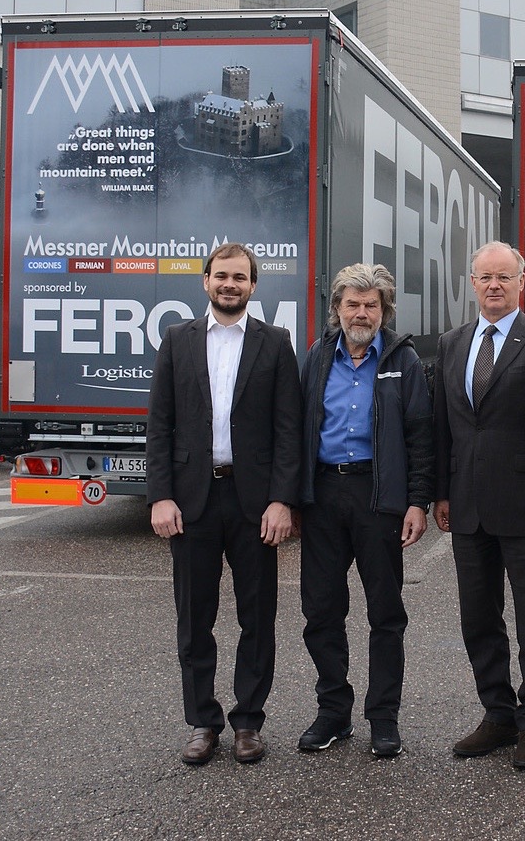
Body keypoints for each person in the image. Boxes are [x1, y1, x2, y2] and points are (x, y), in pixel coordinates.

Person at [146, 242, 302, 766]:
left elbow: (289, 430)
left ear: (254, 285)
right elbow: (159, 426)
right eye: (221, 276)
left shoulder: (276, 343)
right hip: (192, 501)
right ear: (205, 282)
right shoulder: (177, 340)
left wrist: (282, 501)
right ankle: (203, 722)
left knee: (257, 616)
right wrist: (161, 495)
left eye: (240, 277)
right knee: (195, 619)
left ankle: (248, 723)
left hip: (253, 502)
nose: (229, 284)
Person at [433, 241, 525, 770]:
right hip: (468, 508)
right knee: (478, 617)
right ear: (471, 282)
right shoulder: (452, 344)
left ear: (521, 282)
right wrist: (442, 493)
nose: (493, 285)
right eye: (484, 277)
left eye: (503, 277)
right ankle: (497, 714)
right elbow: (444, 426)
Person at [296, 263, 434, 759]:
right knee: (321, 611)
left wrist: (417, 502)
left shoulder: (405, 360)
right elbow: (297, 429)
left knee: (385, 613)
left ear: (384, 310)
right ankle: (333, 712)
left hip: (378, 499)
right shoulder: (316, 358)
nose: (361, 312)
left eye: (370, 304)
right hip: (324, 498)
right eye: (352, 303)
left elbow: (421, 436)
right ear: (337, 309)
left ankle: (383, 718)